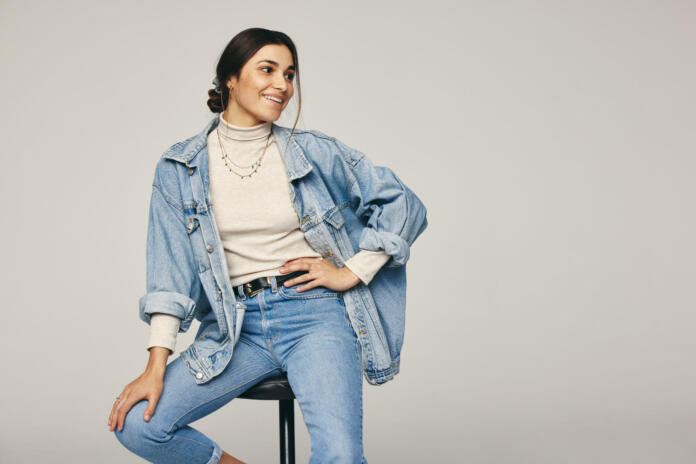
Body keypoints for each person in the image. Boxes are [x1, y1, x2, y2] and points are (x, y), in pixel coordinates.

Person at [108, 27, 427, 464]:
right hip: (237, 329)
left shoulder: (314, 151)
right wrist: (155, 364)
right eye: (268, 69)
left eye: (290, 74)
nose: (283, 84)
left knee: (340, 456)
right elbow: (169, 273)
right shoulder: (179, 168)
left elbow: (403, 205)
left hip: (314, 316)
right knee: (139, 427)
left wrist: (351, 271)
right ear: (230, 79)